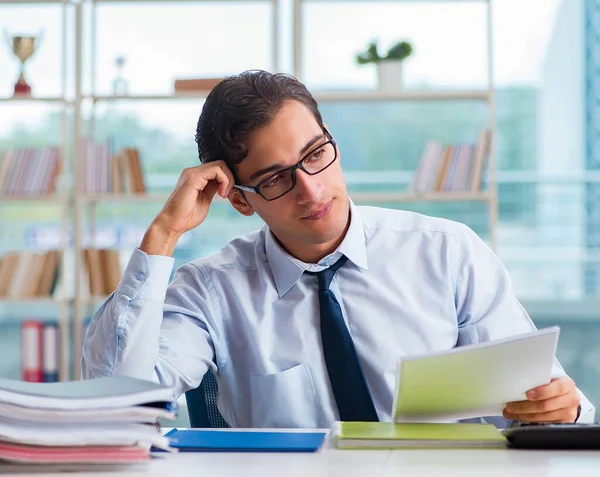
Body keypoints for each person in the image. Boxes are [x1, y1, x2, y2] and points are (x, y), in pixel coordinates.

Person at [82, 70, 594, 428]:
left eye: (315, 155)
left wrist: (559, 410)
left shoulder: (447, 254)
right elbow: (116, 406)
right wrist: (162, 239)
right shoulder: (210, 292)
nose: (311, 189)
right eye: (276, 179)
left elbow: (543, 403)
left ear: (331, 139)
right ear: (239, 200)